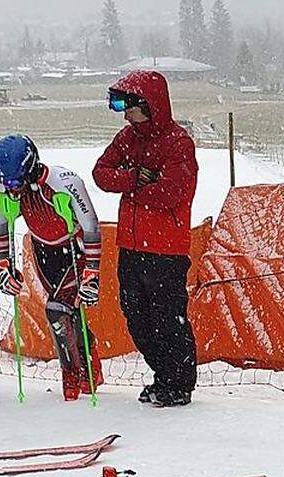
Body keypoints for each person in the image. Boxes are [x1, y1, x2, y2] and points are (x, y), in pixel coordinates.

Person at [92, 70, 198, 407]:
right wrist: (137, 178)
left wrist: (130, 186)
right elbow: (101, 174)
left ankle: (179, 383)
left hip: (167, 250)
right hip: (131, 246)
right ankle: (162, 375)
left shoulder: (179, 143)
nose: (124, 114)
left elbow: (172, 192)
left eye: (128, 105)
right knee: (136, 315)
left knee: (168, 318)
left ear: (148, 105)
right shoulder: (127, 139)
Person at [0, 134, 104, 401]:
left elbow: (91, 227)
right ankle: (89, 369)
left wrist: (92, 273)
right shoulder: (1, 185)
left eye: (15, 182)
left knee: (57, 310)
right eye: (4, 183)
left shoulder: (64, 181)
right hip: (42, 252)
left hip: (74, 249)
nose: (10, 189)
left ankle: (72, 376)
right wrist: (3, 266)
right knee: (70, 314)